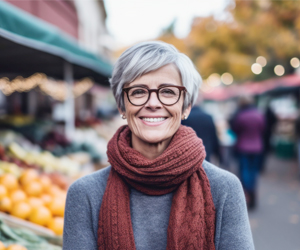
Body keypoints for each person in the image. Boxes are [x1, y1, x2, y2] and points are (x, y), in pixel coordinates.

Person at [63, 41, 254, 250]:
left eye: (168, 92)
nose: (153, 103)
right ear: (121, 105)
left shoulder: (224, 189)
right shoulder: (85, 195)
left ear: (186, 106)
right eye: (138, 92)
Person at [230, 95, 265, 209]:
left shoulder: (241, 116)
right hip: (257, 147)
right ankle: (252, 193)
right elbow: (263, 128)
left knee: (244, 171)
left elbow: (235, 129)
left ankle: (247, 193)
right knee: (253, 171)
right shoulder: (259, 114)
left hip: (243, 146)